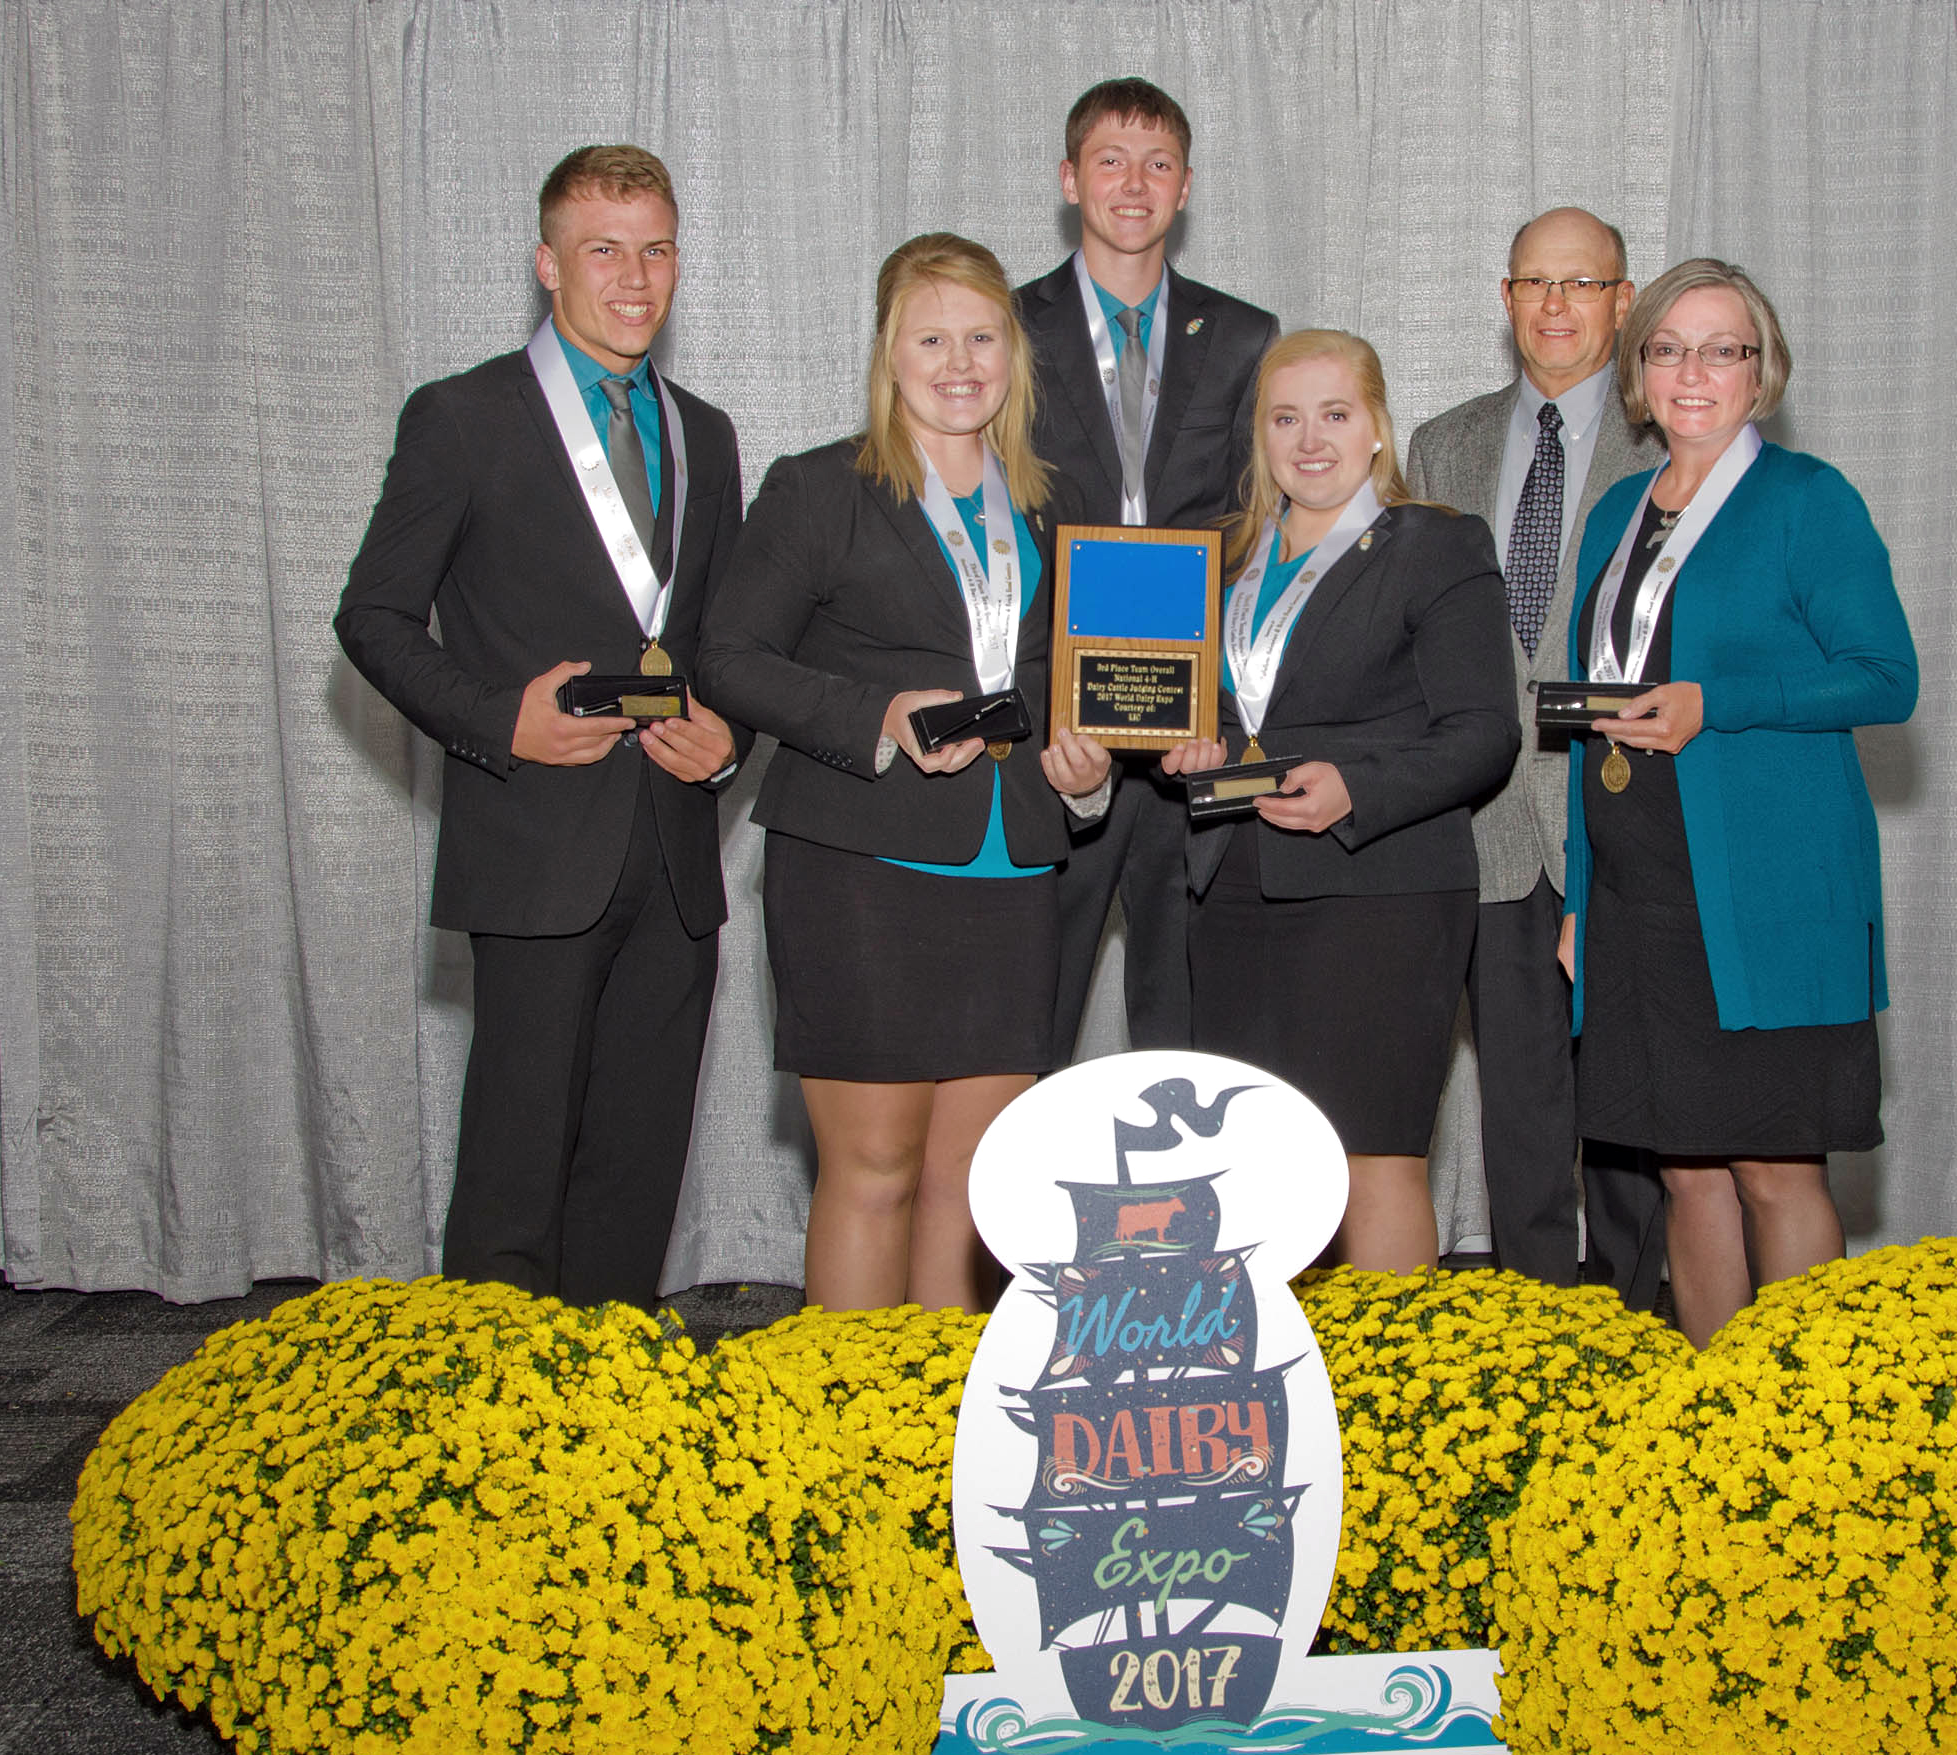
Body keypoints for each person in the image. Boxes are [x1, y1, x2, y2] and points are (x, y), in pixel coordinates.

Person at [335, 146, 746, 1308]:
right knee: (517, 1171)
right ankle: (495, 1427)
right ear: (547, 265)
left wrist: (732, 743)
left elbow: (721, 650)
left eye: (656, 248)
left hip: (674, 857)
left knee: (638, 1166)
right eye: (603, 249)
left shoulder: (704, 433)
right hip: (533, 855)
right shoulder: (464, 417)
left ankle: (609, 1427)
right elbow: (370, 617)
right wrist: (496, 722)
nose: (634, 276)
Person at [697, 234, 1113, 1314]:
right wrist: (876, 713)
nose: (960, 362)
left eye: (982, 337)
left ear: (1014, 356)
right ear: (891, 353)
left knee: (973, 1186)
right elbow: (729, 659)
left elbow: (1082, 680)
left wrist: (1090, 771)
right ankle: (847, 1427)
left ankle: (936, 1433)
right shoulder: (819, 488)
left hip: (1016, 870)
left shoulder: (1054, 505)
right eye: (933, 338)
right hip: (860, 871)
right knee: (874, 1171)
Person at [1556, 258, 1918, 1347]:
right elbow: (1592, 716)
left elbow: (1884, 677)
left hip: (1764, 894)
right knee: (1686, 1172)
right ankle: (1715, 1415)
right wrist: (1581, 897)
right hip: (1638, 892)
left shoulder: (1810, 502)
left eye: (1724, 349)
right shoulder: (1621, 507)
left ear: (1763, 372)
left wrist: (1724, 702)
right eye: (1668, 348)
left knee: (1771, 1166)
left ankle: (1803, 1419)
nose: (1694, 371)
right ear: (1638, 373)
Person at [1163, 331, 1520, 1271]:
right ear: (1260, 436)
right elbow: (1195, 708)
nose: (1310, 439)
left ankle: (1391, 1399)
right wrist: (1188, 745)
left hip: (1381, 894)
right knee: (1250, 1167)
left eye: (1335, 414)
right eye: (1286, 417)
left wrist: (1357, 788)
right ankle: (1282, 1399)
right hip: (1232, 892)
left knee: (1372, 1159)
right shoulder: (1217, 559)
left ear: (1376, 430)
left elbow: (1486, 733)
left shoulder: (1437, 543)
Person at [1405, 206, 1670, 1305]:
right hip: (1488, 821)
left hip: (1624, 816)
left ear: (1622, 300)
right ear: (1505, 298)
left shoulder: (1670, 443)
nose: (1556, 305)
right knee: (1515, 1101)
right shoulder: (1441, 444)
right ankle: (1535, 1330)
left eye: (1582, 283)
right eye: (1535, 283)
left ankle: (1644, 1326)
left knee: (1634, 1107)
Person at [1019, 78, 1278, 1060]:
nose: (1135, 183)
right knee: (1028, 1020)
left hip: (1195, 727)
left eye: (1158, 163)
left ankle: (1187, 1213)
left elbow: (1259, 516)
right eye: (1111, 160)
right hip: (1054, 726)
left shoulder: (1247, 334)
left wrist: (1219, 697)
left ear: (1186, 187)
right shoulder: (1006, 327)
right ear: (1070, 179)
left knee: (1187, 1026)